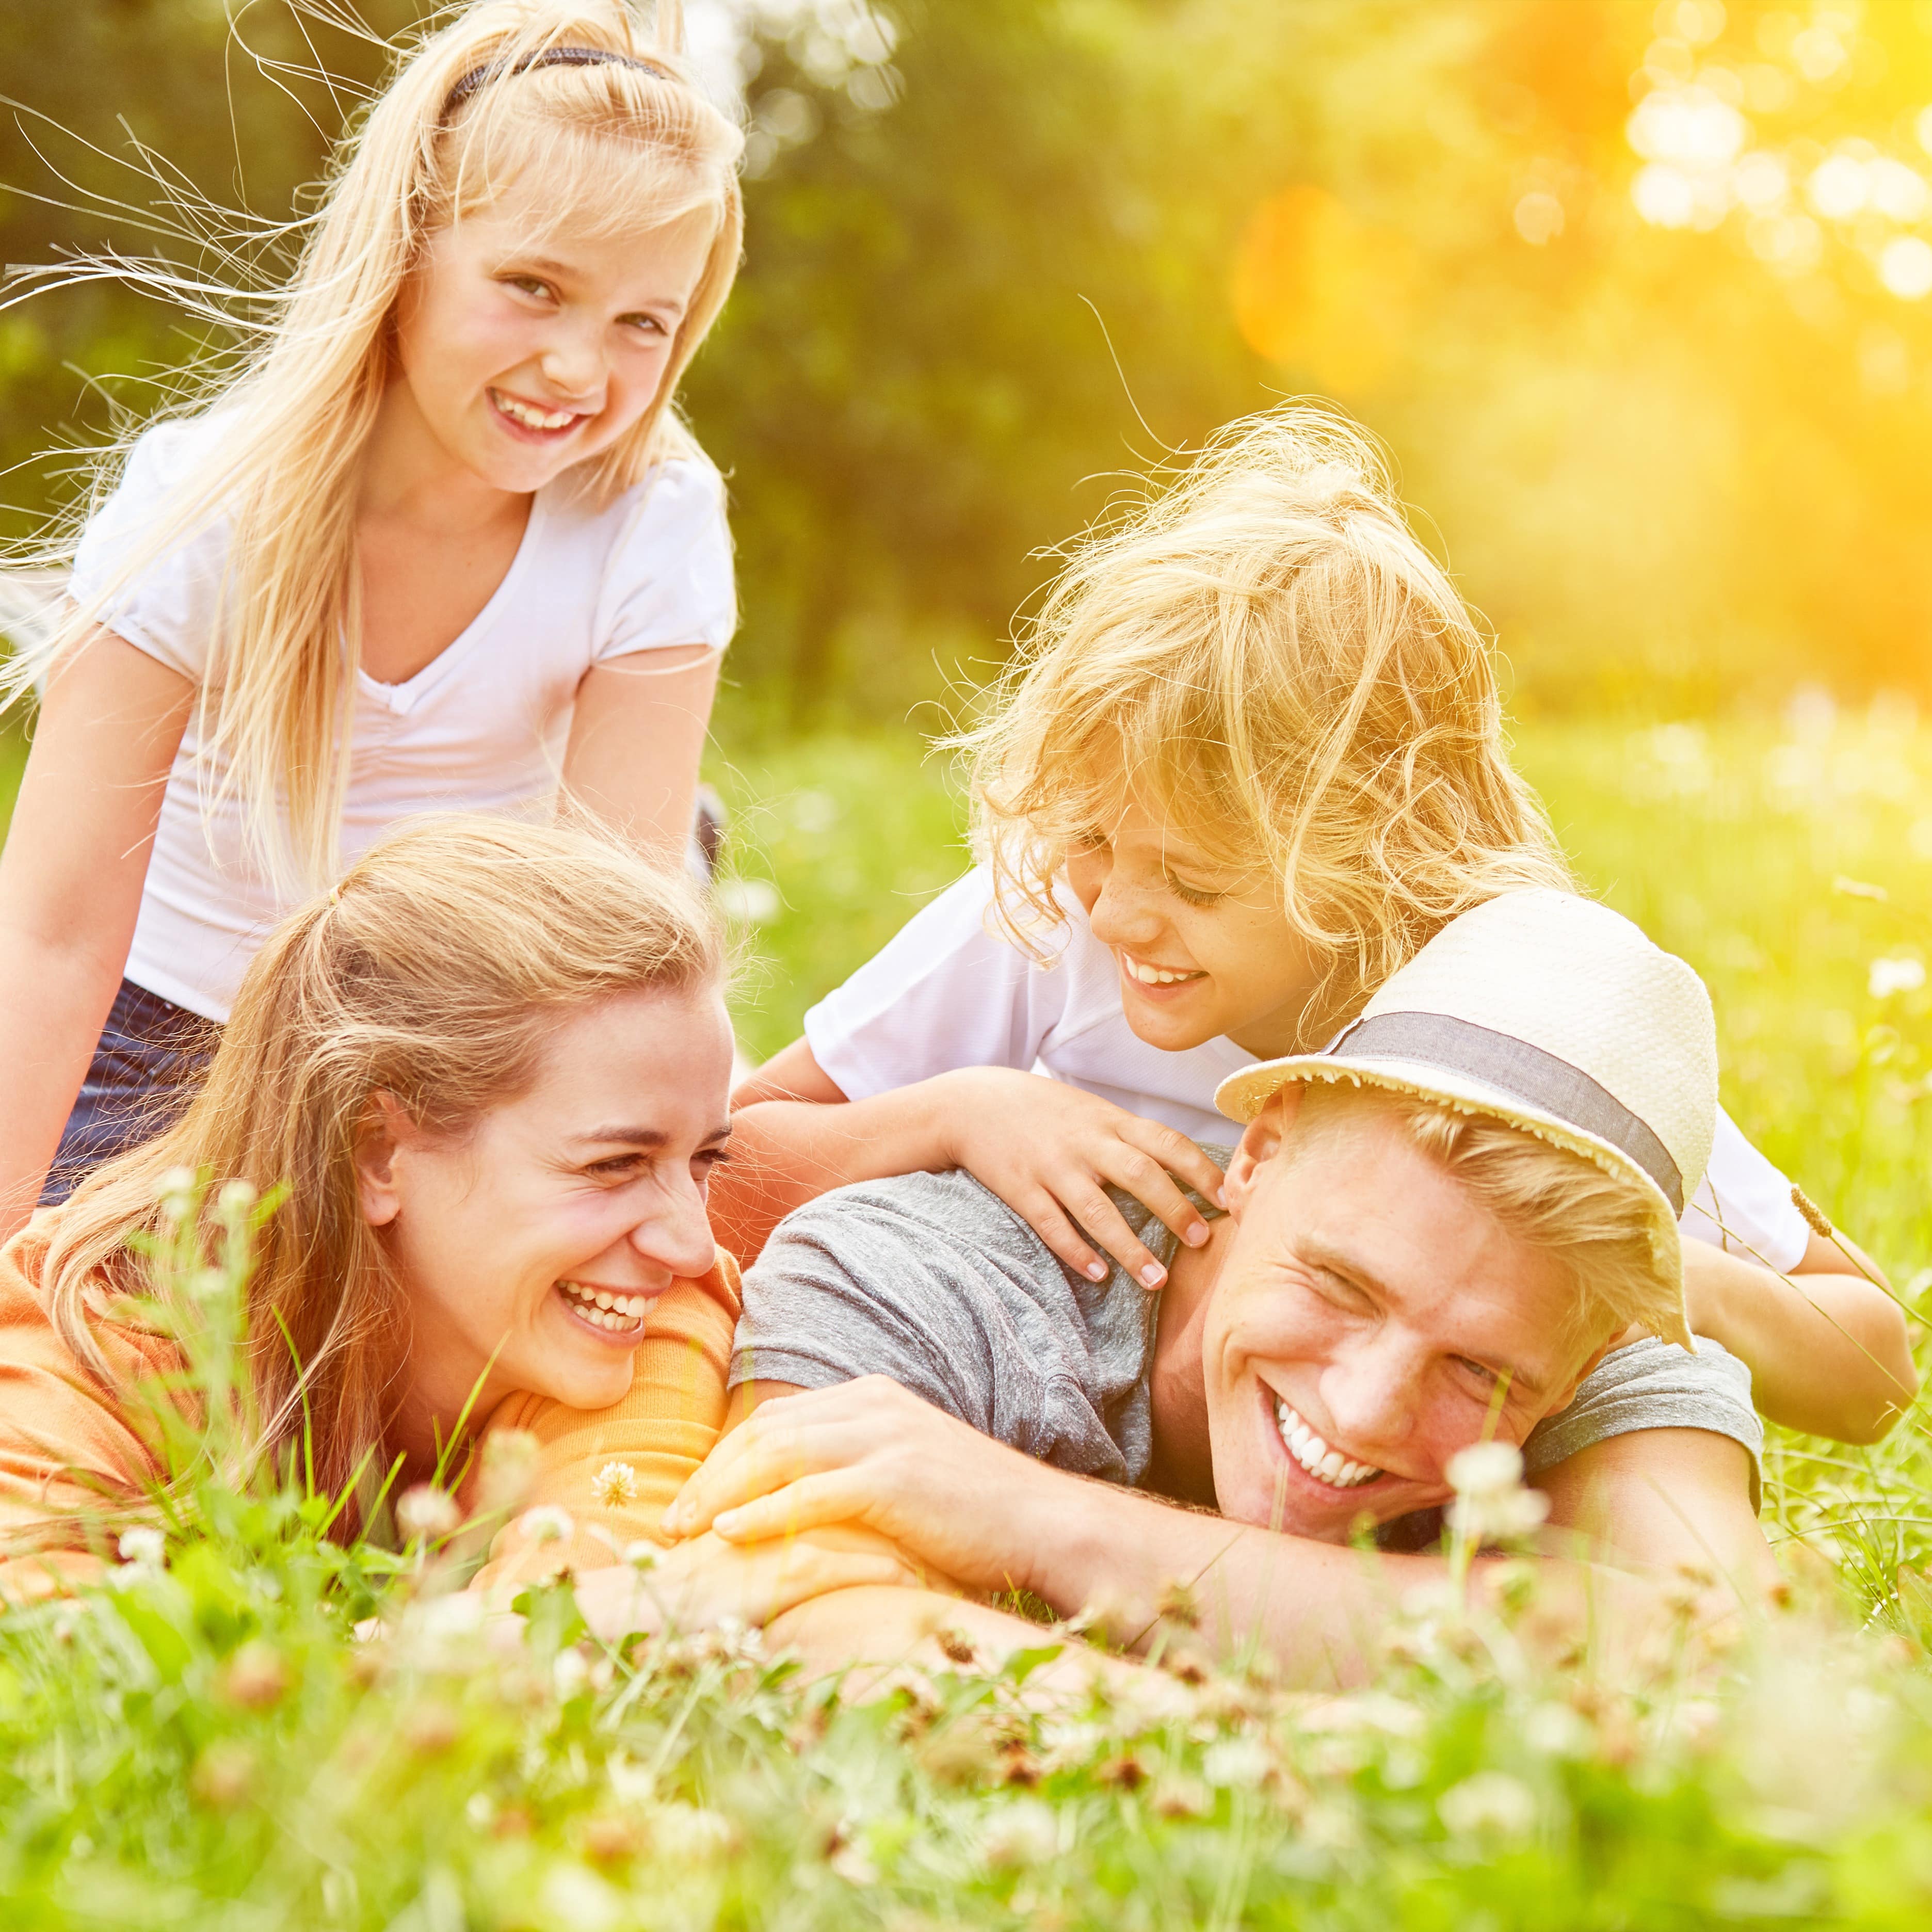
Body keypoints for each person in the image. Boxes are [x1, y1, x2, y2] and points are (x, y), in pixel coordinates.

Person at [715, 406, 1909, 1447]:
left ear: (1371, 852)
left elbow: (1870, 1369)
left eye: (1192, 880)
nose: (1121, 909)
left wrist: (1620, 1268)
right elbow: (714, 1167)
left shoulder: (1508, 1008)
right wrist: (955, 1113)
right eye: (1092, 838)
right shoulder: (1041, 915)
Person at [670, 890, 1879, 1682]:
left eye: (1480, 1372)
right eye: (1344, 1285)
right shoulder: (926, 1271)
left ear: (1596, 1352)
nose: (1362, 1412)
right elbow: (782, 1617)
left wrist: (1045, 1522)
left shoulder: (1614, 1356)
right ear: (1260, 1146)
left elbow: (1707, 1660)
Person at [0, 1, 744, 1234]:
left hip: (464, 1039)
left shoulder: (650, 518)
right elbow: (54, 934)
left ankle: (691, 858)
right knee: (142, 1365)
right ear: (406, 253)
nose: (578, 368)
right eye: (532, 287)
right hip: (168, 1027)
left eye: (640, 324)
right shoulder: (210, 505)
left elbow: (603, 960)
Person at [0, 815, 910, 1624]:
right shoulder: (96, 1324)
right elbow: (49, 1660)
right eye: (614, 1164)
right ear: (377, 1153)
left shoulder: (644, 1317)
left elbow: (585, 1614)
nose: (690, 1242)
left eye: (702, 1160)